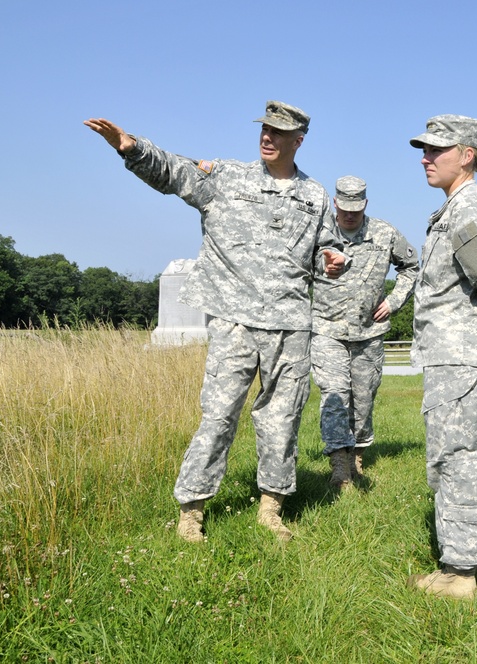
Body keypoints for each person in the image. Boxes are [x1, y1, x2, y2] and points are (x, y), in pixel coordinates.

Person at [84, 101, 348, 544]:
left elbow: (328, 245)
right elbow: (172, 172)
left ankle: (271, 508)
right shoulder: (225, 177)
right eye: (264, 129)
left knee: (282, 419)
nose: (267, 137)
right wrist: (131, 148)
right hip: (234, 321)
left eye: (279, 133)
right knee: (219, 416)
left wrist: (334, 258)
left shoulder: (315, 195)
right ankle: (191, 511)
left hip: (290, 324)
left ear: (298, 140)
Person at [405, 115, 477, 599]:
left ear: (467, 155)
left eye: (438, 149)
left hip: (459, 355)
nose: (426, 158)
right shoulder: (458, 208)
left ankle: (458, 570)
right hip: (471, 354)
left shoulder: (465, 210)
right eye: (424, 149)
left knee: (454, 457)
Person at [310, 175, 418, 489]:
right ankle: (340, 468)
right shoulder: (320, 231)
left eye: (356, 209)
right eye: (344, 208)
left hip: (369, 334)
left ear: (365, 204)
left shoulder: (384, 233)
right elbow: (296, 265)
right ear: (335, 203)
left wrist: (395, 300)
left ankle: (356, 454)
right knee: (334, 397)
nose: (350, 214)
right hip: (328, 330)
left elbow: (411, 266)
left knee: (363, 399)